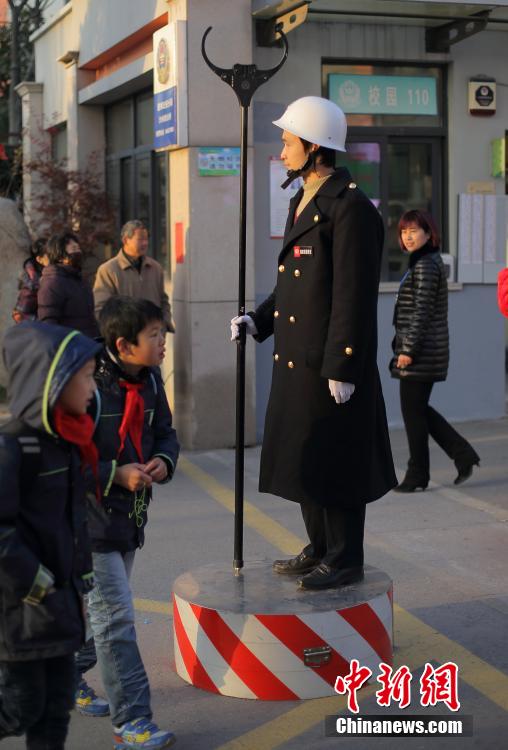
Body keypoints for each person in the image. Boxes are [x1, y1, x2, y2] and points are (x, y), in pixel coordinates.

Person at [231, 96, 396, 590]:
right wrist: (258, 321)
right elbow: (293, 286)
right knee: (306, 459)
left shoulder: (351, 210)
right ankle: (320, 546)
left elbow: (352, 296)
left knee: (336, 461)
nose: (282, 151)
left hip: (330, 366)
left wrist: (343, 366)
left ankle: (345, 557)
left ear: (314, 145)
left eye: (287, 142)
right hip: (299, 361)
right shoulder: (304, 199)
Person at [75, 296, 179, 749]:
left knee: (95, 614)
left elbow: (166, 434)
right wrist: (113, 473)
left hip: (128, 518)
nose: (162, 344)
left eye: (162, 334)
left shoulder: (151, 380)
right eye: (154, 336)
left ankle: (64, 677)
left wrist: (161, 460)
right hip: (87, 522)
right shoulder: (85, 385)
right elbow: (65, 459)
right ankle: (133, 722)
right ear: (123, 343)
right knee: (114, 617)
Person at [0, 321, 102, 749]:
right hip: (22, 611)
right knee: (23, 707)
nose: (93, 386)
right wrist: (36, 583)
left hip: (62, 604)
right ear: (52, 381)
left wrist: (81, 578)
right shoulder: (14, 446)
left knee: (56, 711)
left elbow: (71, 521)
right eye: (85, 376)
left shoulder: (71, 439)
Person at [390, 209, 480, 491]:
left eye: (414, 231)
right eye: (404, 231)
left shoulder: (426, 265)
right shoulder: (420, 262)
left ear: (429, 234)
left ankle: (418, 474)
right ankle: (463, 455)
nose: (408, 236)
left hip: (421, 352)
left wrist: (408, 349)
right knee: (418, 411)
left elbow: (421, 312)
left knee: (413, 412)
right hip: (425, 349)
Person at [93, 220, 175, 334]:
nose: (145, 243)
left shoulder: (156, 268)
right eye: (141, 239)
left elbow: (163, 301)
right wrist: (119, 332)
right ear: (126, 240)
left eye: (147, 239)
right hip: (126, 341)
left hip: (155, 340)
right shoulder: (108, 270)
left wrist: (164, 324)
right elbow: (101, 309)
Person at [37, 231, 99, 338]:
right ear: (60, 256)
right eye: (74, 250)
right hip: (69, 348)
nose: (78, 253)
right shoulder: (52, 283)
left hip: (87, 345)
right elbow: (48, 323)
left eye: (79, 249)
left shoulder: (80, 280)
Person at [12, 237, 49, 323]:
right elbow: (20, 314)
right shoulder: (33, 281)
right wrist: (44, 326)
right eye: (50, 254)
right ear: (40, 259)